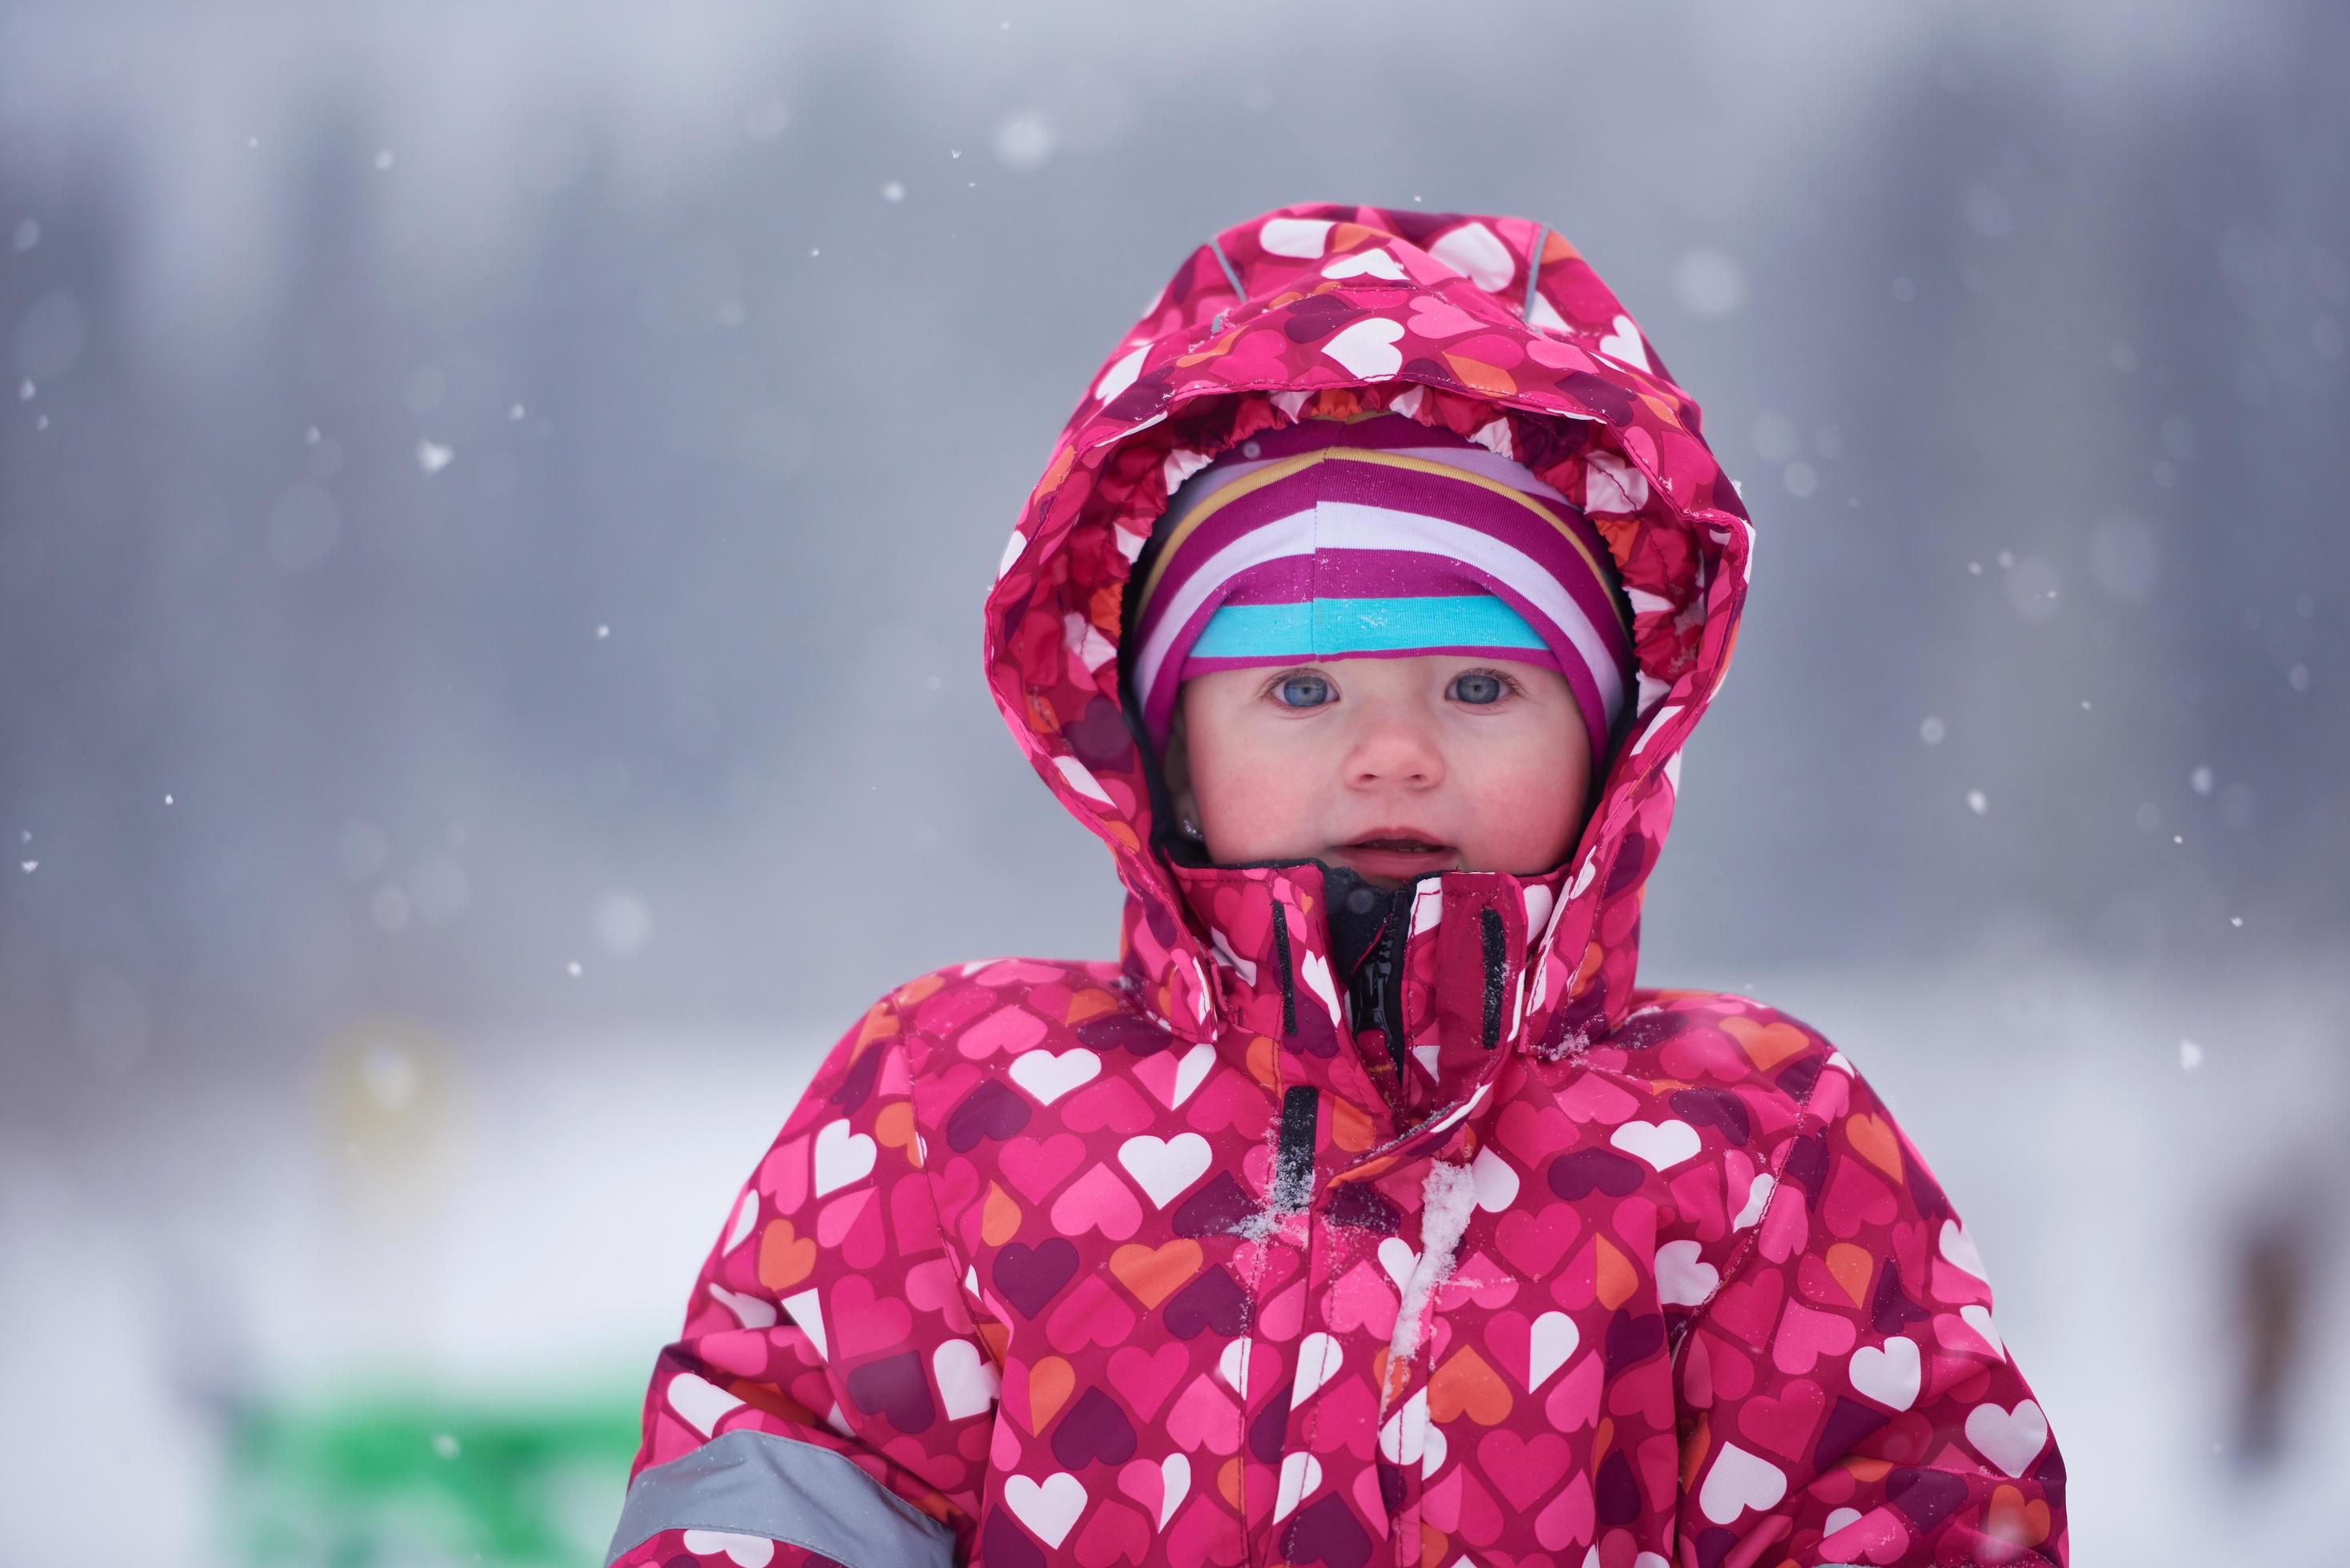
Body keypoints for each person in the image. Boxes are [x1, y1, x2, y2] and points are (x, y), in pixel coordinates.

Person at [603, 203, 2068, 1568]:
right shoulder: (956, 1102)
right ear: (1168, 748)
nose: (1391, 755)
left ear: (1613, 739)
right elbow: (781, 1471)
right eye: (1301, 687)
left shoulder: (1752, 1144)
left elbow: (1910, 1506)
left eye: (1480, 686)